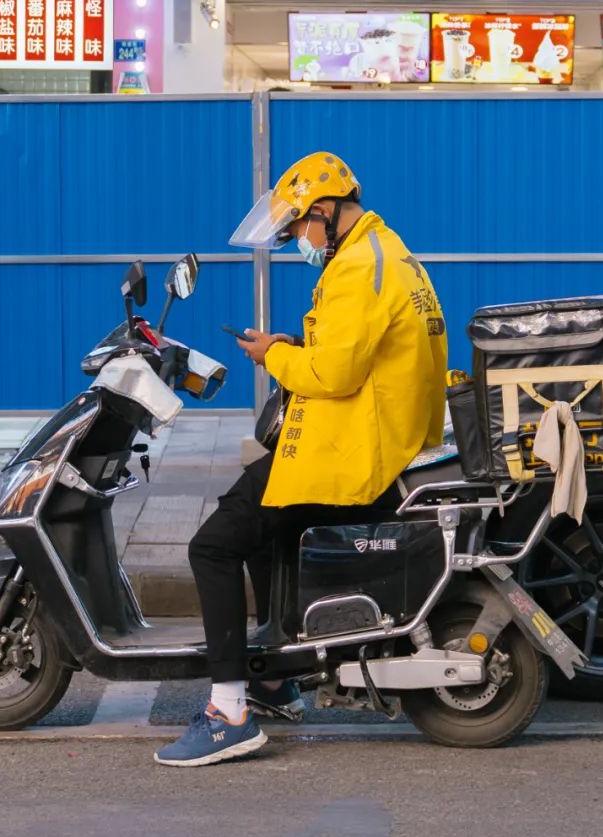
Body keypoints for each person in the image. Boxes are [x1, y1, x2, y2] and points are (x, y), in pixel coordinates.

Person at [155, 151, 448, 768]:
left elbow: (335, 373)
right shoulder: (387, 254)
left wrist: (272, 357)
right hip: (370, 439)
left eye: (295, 231)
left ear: (323, 212)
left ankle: (228, 713)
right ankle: (272, 678)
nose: (296, 242)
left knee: (212, 545)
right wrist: (294, 342)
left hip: (348, 452)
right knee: (260, 533)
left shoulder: (355, 269)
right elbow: (357, 348)